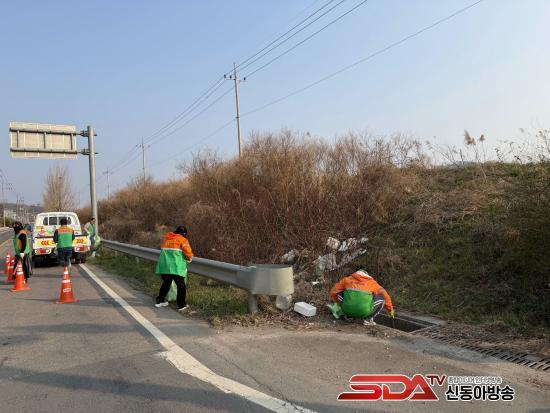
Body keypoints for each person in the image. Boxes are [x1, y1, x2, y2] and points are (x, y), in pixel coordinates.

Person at [330, 267, 394, 326]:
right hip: (364, 311)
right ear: (367, 276)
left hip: (346, 310)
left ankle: (349, 316)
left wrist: (338, 303)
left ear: (355, 274)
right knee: (382, 298)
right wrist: (390, 310)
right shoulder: (372, 282)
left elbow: (334, 291)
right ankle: (368, 320)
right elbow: (385, 295)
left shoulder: (346, 280)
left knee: (339, 293)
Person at [155, 225, 193, 312]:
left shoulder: (167, 239)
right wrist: (189, 258)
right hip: (175, 267)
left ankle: (160, 301)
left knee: (166, 283)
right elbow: (188, 252)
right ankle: (181, 305)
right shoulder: (182, 240)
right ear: (184, 233)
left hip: (164, 266)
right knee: (181, 286)